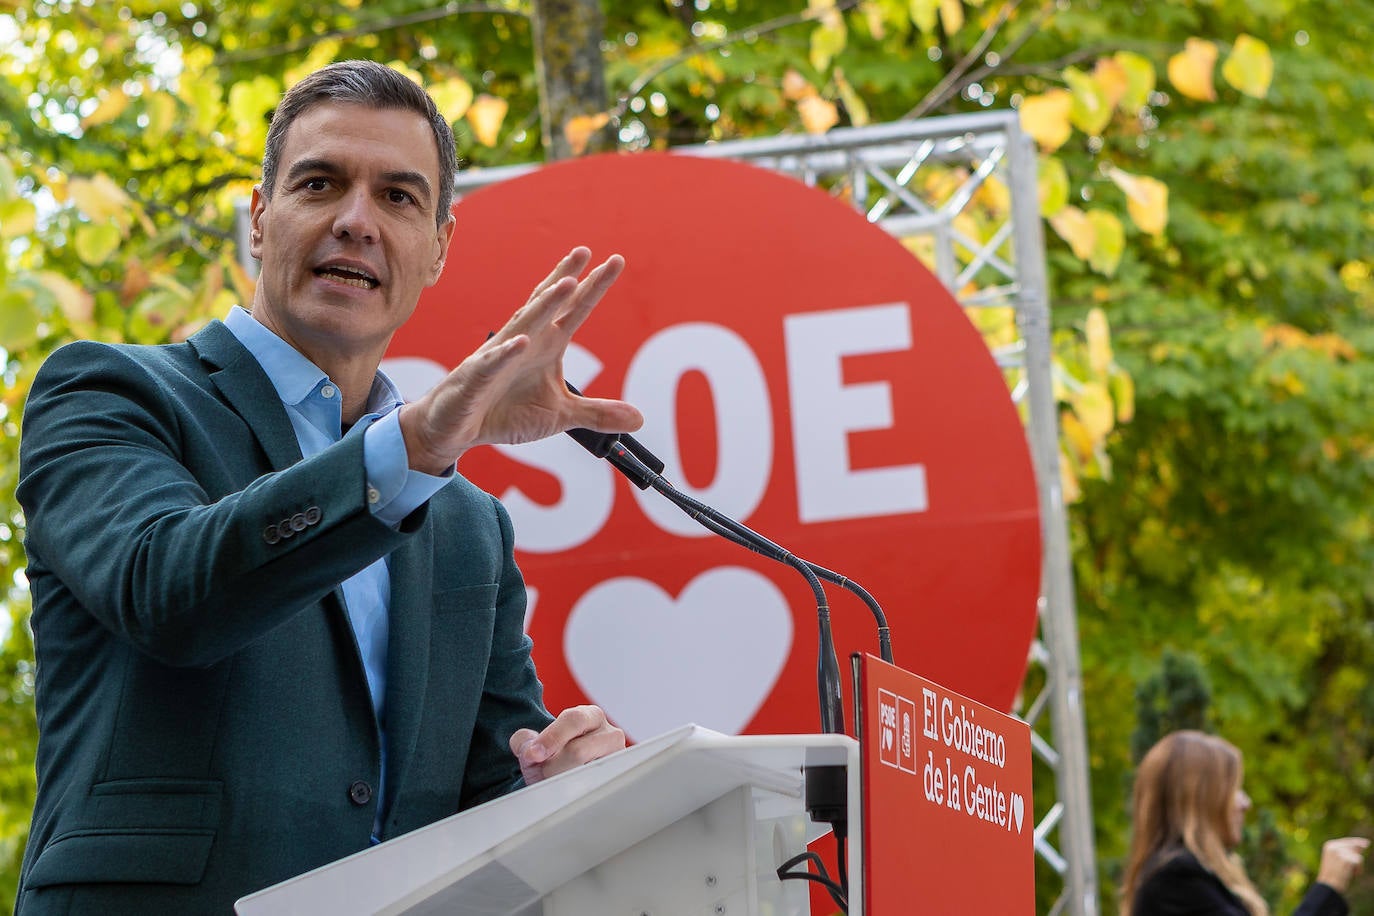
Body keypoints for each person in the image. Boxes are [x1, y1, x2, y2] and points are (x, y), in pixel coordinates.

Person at [14, 60, 643, 914]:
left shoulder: (469, 527)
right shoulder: (110, 390)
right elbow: (168, 591)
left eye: (398, 197)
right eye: (321, 184)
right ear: (261, 220)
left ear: (438, 249)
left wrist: (557, 780)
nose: (357, 222)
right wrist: (413, 446)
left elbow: (489, 787)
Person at [1121, 730, 1369, 916]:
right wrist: (1328, 886)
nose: (1245, 803)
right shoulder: (1175, 879)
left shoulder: (1182, 876)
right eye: (1234, 790)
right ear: (1201, 799)